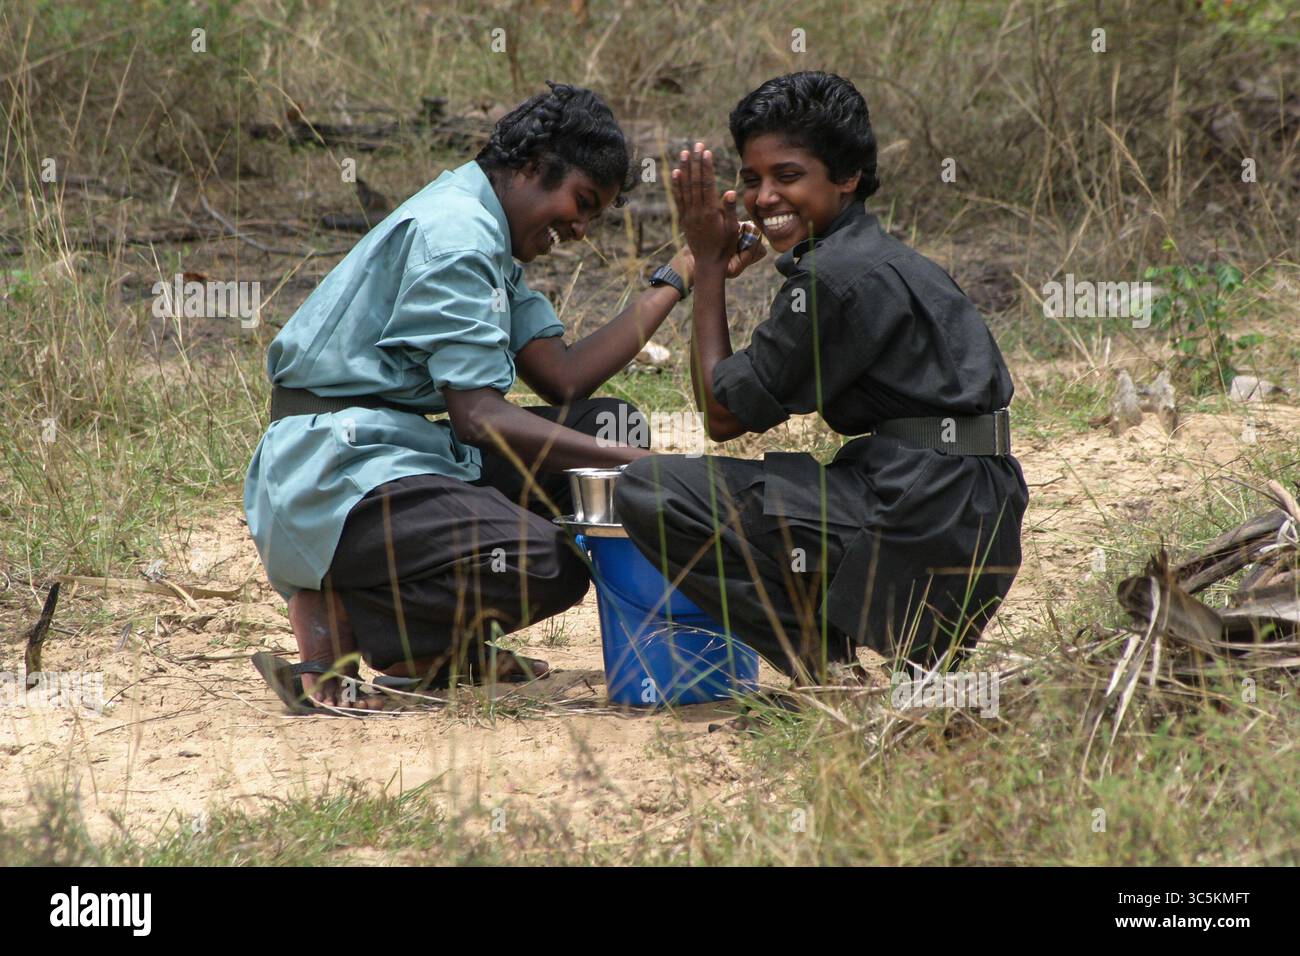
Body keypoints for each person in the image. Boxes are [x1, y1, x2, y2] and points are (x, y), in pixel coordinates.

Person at [243, 81, 763, 709]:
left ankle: (430, 647)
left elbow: (563, 377)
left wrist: (686, 270)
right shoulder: (458, 235)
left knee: (610, 426)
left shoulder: (486, 231)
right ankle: (347, 618)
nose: (577, 230)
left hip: (397, 451)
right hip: (334, 472)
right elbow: (479, 419)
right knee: (550, 561)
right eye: (580, 202)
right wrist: (644, 468)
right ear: (532, 167)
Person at [614, 72, 1030, 685]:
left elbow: (723, 417)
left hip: (924, 520)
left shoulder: (832, 280)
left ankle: (823, 668)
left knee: (651, 490)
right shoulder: (888, 258)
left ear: (847, 177)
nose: (764, 198)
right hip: (974, 515)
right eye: (751, 180)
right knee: (792, 486)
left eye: (787, 176)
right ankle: (857, 652)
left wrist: (705, 266)